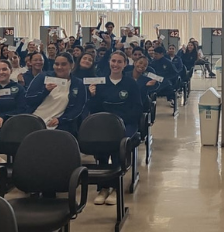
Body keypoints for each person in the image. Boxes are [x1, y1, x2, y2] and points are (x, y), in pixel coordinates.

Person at [88, 51, 142, 206]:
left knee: (119, 144)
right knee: (100, 143)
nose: (116, 64)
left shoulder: (131, 83)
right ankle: (104, 187)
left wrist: (121, 122)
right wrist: (92, 95)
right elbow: (95, 108)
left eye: (119, 62)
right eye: (113, 61)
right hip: (105, 123)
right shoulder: (101, 82)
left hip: (126, 123)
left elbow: (137, 108)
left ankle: (116, 186)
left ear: (125, 64)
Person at [23, 53, 87, 135]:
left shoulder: (78, 83)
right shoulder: (43, 77)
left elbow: (78, 107)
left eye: (63, 64)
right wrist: (45, 91)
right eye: (56, 64)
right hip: (35, 122)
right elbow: (29, 100)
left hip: (59, 126)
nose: (59, 67)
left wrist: (61, 120)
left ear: (72, 65)